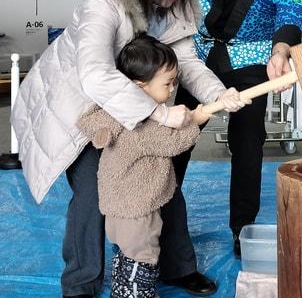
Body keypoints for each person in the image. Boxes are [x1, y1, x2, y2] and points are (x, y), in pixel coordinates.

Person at [11, 0, 244, 298]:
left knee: (159, 177)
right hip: (83, 110)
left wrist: (219, 95)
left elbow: (184, 61)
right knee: (91, 192)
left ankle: (177, 267)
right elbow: (96, 74)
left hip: (133, 105)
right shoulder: (103, 0)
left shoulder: (174, 3)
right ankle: (81, 283)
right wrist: (160, 114)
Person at [171, 0, 302, 256]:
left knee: (249, 143)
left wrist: (281, 51)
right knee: (180, 133)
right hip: (197, 51)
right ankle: (161, 216)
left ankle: (242, 229)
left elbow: (293, 13)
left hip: (251, 57)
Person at [77, 36, 211, 298]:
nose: (172, 89)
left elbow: (91, 119)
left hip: (118, 207)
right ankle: (136, 294)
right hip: (137, 208)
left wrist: (102, 133)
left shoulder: (117, 108)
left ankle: (124, 289)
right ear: (140, 87)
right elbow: (173, 143)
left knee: (127, 254)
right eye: (167, 83)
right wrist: (198, 120)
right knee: (144, 256)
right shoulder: (141, 124)